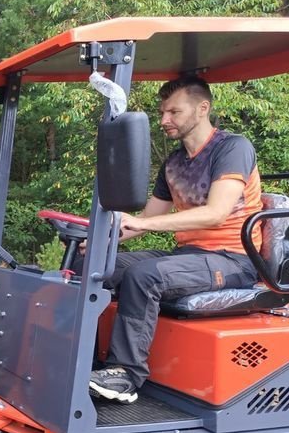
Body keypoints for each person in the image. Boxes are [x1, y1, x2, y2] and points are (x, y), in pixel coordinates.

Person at [89, 74, 262, 404]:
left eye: (174, 112)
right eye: (162, 113)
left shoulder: (231, 148)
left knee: (146, 276)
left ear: (202, 108)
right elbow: (146, 220)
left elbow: (216, 213)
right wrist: (101, 240)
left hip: (234, 260)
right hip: (191, 255)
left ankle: (125, 374)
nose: (165, 120)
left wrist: (142, 223)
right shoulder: (174, 163)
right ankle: (87, 360)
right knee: (99, 265)